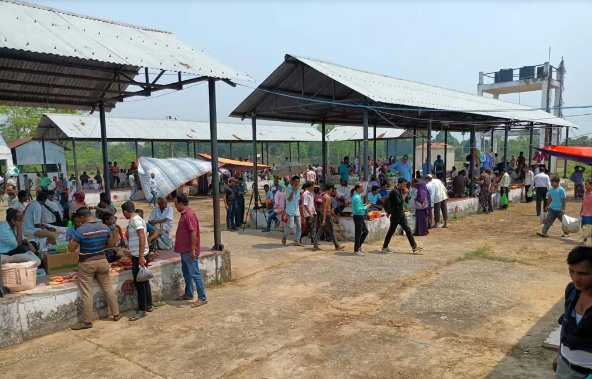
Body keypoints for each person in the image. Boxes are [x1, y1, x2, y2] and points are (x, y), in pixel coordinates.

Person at [69, 208, 121, 329]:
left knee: (87, 293)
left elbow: (71, 248)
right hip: (102, 261)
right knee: (108, 288)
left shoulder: (81, 230)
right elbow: (112, 245)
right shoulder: (104, 227)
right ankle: (116, 313)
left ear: (82, 218)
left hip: (87, 263)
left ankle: (87, 321)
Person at [552, 245, 592, 378]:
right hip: (564, 366)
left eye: (582, 273)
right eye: (571, 271)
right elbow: (566, 324)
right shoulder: (571, 290)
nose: (575, 278)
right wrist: (559, 354)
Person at [173, 194, 207, 307]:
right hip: (184, 249)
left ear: (181, 203)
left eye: (176, 204)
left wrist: (192, 250)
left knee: (195, 273)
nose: (175, 206)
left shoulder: (189, 215)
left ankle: (202, 297)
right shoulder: (185, 214)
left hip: (189, 250)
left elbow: (193, 232)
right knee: (186, 272)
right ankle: (189, 293)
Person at [121, 202, 152, 320]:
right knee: (144, 280)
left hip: (139, 255)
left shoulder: (135, 220)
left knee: (139, 283)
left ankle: (141, 310)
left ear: (125, 212)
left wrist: (140, 256)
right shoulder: (136, 220)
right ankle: (148, 305)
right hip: (138, 253)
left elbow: (142, 237)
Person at [382, 178, 422, 254]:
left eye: (405, 184)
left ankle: (414, 247)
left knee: (408, 230)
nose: (405, 186)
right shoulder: (394, 192)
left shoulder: (399, 191)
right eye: (404, 184)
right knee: (391, 231)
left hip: (401, 214)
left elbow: (404, 201)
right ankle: (385, 246)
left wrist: (406, 194)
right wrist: (404, 195)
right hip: (395, 215)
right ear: (399, 183)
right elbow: (398, 203)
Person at [312, 184, 344, 251]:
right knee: (331, 230)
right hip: (326, 215)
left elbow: (322, 207)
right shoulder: (327, 197)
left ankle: (316, 244)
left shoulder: (323, 195)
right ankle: (337, 245)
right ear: (330, 189)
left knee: (321, 229)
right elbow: (325, 208)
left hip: (324, 214)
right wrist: (324, 219)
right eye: (332, 189)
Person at [282, 176, 302, 246]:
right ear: (292, 181)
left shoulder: (298, 189)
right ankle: (284, 236)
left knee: (299, 227)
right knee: (290, 226)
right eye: (296, 181)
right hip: (290, 210)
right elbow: (289, 199)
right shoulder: (288, 189)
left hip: (296, 210)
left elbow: (298, 200)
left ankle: (297, 241)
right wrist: (293, 191)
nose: (297, 183)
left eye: (298, 181)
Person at [351, 183, 370, 256]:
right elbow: (359, 209)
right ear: (358, 189)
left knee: (365, 231)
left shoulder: (357, 196)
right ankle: (356, 250)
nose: (363, 189)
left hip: (359, 216)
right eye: (361, 187)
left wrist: (364, 205)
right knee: (358, 233)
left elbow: (359, 206)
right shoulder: (356, 197)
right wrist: (366, 206)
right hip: (358, 216)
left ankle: (358, 246)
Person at [581, 179, 592, 244]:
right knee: (584, 227)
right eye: (585, 185)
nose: (585, 186)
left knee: (588, 227)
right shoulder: (585, 193)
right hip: (585, 213)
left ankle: (586, 240)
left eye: (587, 185)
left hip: (590, 214)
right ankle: (585, 239)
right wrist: (581, 210)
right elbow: (583, 202)